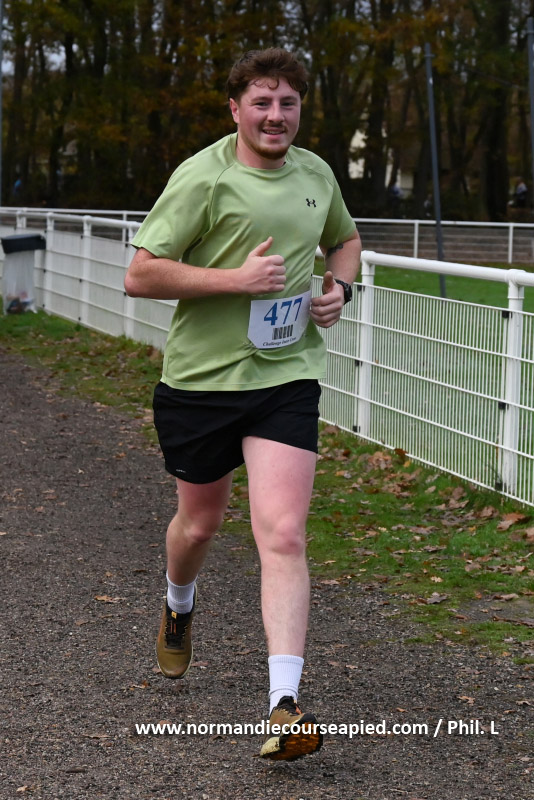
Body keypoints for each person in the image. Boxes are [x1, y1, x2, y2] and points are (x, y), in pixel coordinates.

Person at [124, 47, 361, 761]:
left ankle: (284, 706)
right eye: (262, 102)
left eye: (287, 102)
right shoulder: (204, 176)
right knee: (199, 526)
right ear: (236, 110)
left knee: (283, 533)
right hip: (202, 384)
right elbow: (140, 275)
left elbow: (346, 241)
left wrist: (340, 289)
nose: (275, 115)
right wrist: (236, 280)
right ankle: (179, 603)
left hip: (286, 376)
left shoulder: (316, 173)